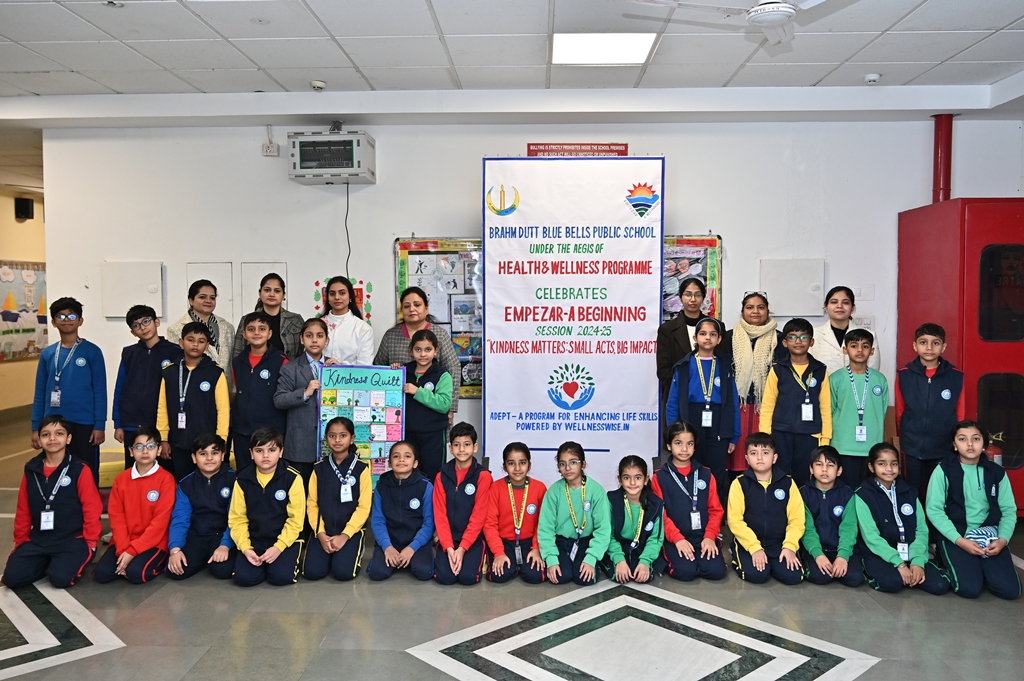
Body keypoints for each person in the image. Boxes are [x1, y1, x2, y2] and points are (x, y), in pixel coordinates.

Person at [2, 415, 102, 589]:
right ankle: (46, 561)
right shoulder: (31, 469)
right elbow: (23, 508)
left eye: (59, 433)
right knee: (11, 579)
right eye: (46, 434)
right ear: (39, 439)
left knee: (60, 579)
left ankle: (61, 562)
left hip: (71, 539)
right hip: (38, 539)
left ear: (68, 438)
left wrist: (91, 542)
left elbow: (92, 508)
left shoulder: (79, 469)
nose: (52, 438)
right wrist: (21, 542)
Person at [927, 421, 1020, 600]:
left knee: (1010, 591)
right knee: (969, 589)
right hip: (957, 536)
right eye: (962, 439)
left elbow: (1008, 510)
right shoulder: (943, 470)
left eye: (976, 439)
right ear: (955, 445)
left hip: (989, 536)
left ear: (984, 444)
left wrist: (1002, 540)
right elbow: (934, 510)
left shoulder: (997, 472)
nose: (970, 444)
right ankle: (941, 560)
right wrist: (961, 541)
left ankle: (979, 568)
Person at [854, 442, 949, 594]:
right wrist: (900, 564)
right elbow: (871, 536)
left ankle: (911, 573)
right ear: (871, 467)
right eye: (882, 464)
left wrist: (917, 562)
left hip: (910, 551)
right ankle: (897, 574)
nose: (889, 469)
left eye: (894, 464)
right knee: (892, 583)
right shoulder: (862, 494)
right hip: (880, 553)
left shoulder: (910, 492)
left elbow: (921, 529)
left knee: (940, 585)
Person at [31, 297, 107, 483]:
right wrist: (36, 427)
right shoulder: (48, 354)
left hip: (84, 423)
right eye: (61, 316)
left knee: (86, 471)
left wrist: (99, 425)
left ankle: (89, 504)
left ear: (80, 320)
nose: (66, 320)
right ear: (53, 322)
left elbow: (100, 391)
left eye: (72, 316)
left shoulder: (92, 352)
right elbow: (40, 393)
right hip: (53, 424)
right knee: (56, 471)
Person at [665, 317, 739, 503]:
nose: (708, 338)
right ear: (695, 338)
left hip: (719, 422)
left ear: (719, 339)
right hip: (691, 419)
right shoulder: (684, 366)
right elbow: (673, 402)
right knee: (692, 468)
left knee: (716, 473)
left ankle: (716, 515)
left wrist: (734, 434)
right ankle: (690, 510)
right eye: (703, 334)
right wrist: (674, 433)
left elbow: (732, 402)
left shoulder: (725, 365)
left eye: (713, 334)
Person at [94, 427, 176, 584]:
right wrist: (124, 550)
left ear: (159, 450)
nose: (145, 451)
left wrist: (132, 552)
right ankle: (128, 562)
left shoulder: (166, 480)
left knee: (136, 574)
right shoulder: (121, 480)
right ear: (131, 451)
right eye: (139, 447)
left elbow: (160, 524)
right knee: (102, 574)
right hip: (125, 540)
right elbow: (117, 518)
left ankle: (158, 562)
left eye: (150, 446)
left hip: (155, 541)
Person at [228, 428, 305, 587]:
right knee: (244, 579)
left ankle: (275, 565)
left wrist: (278, 547)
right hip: (254, 540)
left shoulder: (292, 477)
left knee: (280, 577)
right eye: (259, 451)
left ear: (281, 452)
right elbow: (237, 519)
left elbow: (296, 520)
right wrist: (245, 548)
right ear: (251, 453)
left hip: (286, 540)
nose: (265, 455)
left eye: (271, 450)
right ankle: (260, 565)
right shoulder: (242, 479)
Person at [759, 318, 832, 486]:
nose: (798, 341)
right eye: (792, 337)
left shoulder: (820, 370)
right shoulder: (778, 369)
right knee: (779, 476)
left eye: (804, 337)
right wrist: (765, 435)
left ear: (811, 342)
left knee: (806, 478)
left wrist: (825, 439)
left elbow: (825, 407)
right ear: (785, 342)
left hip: (810, 435)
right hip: (780, 433)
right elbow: (768, 404)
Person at [651, 421, 726, 582]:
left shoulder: (706, 474)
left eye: (689, 444)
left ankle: (703, 554)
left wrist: (710, 536)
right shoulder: (660, 477)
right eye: (678, 443)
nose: (684, 449)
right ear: (669, 445)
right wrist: (678, 539)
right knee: (686, 572)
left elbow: (716, 510)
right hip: (674, 538)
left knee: (716, 571)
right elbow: (660, 515)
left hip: (702, 536)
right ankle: (664, 557)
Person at [895, 323, 965, 498]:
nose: (929, 347)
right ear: (915, 345)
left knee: (939, 493)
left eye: (935, 343)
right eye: (923, 342)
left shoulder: (955, 376)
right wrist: (906, 436)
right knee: (912, 493)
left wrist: (957, 441)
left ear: (943, 347)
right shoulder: (904, 374)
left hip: (943, 446)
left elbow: (960, 413)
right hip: (912, 447)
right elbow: (900, 412)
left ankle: (936, 518)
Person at [722, 292, 787, 474]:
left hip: (766, 408)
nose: (755, 311)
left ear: (767, 311)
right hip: (736, 407)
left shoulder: (780, 339)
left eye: (761, 307)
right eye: (750, 307)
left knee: (763, 458)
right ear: (742, 311)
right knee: (735, 462)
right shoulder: (728, 338)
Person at [373, 286, 461, 421]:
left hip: (433, 411)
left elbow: (453, 368)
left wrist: (452, 408)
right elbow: (378, 368)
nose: (412, 309)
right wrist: (392, 371)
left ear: (426, 308)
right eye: (406, 306)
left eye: (417, 305)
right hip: (399, 409)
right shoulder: (391, 336)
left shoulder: (440, 335)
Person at [727, 432, 804, 585]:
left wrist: (789, 546)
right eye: (754, 453)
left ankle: (773, 562)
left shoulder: (788, 483)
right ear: (747, 459)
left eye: (765, 453)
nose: (760, 457)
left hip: (779, 543)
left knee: (793, 577)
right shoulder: (739, 484)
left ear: (774, 458)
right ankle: (738, 554)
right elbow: (735, 521)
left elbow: (797, 519)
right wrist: (755, 548)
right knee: (757, 575)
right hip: (749, 543)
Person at [156, 322, 229, 481]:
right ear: (181, 342)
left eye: (201, 341)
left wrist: (221, 441)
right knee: (183, 483)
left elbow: (223, 410)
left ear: (207, 346)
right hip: (178, 442)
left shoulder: (215, 373)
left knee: (209, 484)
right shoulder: (169, 372)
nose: (195, 344)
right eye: (190, 340)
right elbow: (162, 407)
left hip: (208, 445)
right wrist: (163, 438)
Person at [112, 304, 182, 469]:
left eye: (146, 321)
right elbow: (120, 389)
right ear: (132, 332)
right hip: (131, 424)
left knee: (164, 472)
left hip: (161, 425)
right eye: (136, 325)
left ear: (157, 322)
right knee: (134, 471)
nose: (143, 328)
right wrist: (118, 424)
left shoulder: (175, 352)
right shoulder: (129, 353)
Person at [304, 417, 372, 582]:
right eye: (332, 436)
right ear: (326, 439)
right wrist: (320, 534)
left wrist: (345, 535)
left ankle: (354, 547)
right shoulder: (319, 469)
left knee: (343, 573)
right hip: (324, 531)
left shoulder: (362, 468)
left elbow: (364, 507)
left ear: (352, 438)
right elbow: (312, 504)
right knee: (312, 573)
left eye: (343, 435)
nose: (337, 440)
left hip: (350, 531)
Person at [537, 442, 611, 586]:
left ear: (583, 464)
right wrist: (551, 558)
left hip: (585, 541)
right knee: (561, 576)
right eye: (562, 464)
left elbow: (603, 528)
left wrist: (591, 558)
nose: (568, 468)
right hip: (561, 541)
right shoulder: (553, 492)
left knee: (585, 578)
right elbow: (546, 528)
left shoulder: (596, 491)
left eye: (573, 462)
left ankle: (598, 561)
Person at [166, 434, 236, 581]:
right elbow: (180, 518)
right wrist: (175, 549)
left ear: (223, 455)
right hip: (197, 536)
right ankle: (203, 558)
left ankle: (210, 557)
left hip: (222, 535)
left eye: (215, 453)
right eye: (203, 454)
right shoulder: (186, 484)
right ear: (194, 458)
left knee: (223, 570)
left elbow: (236, 518)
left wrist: (225, 545)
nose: (209, 458)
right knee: (176, 571)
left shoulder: (234, 480)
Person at [432, 422, 492, 585]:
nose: (462, 449)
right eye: (457, 445)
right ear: (450, 448)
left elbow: (479, 515)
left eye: (467, 444)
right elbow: (440, 515)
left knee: (468, 578)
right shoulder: (441, 476)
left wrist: (463, 548)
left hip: (473, 538)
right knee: (445, 578)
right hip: (448, 538)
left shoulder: (483, 476)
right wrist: (449, 547)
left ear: (475, 447)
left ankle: (480, 556)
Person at [366, 441, 436, 581]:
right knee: (377, 573)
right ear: (389, 463)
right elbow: (378, 521)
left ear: (415, 463)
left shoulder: (426, 486)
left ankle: (408, 558)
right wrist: (387, 546)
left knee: (424, 572)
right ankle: (397, 558)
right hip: (390, 541)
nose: (401, 460)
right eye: (396, 456)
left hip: (417, 542)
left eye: (407, 456)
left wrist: (412, 548)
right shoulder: (381, 487)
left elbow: (429, 523)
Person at [273, 318, 331, 485]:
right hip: (300, 445)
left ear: (326, 340)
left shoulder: (334, 366)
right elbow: (279, 400)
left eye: (319, 336)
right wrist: (305, 393)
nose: (314, 340)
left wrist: (340, 371)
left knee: (326, 491)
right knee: (301, 491)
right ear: (301, 339)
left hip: (329, 444)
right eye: (309, 335)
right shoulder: (290, 368)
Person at [829, 329, 887, 487]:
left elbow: (882, 411)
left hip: (872, 446)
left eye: (865, 346)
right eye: (854, 346)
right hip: (843, 447)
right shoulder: (835, 379)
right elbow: (829, 411)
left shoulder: (880, 380)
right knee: (846, 491)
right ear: (845, 350)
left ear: (872, 351)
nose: (860, 350)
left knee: (868, 491)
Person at [231, 311, 288, 471]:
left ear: (269, 334)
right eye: (251, 329)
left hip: (271, 430)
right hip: (242, 430)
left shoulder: (281, 361)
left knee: (270, 473)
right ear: (244, 334)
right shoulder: (237, 362)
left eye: (262, 329)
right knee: (244, 473)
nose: (256, 333)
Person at [799, 446, 863, 587]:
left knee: (855, 578)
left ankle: (838, 563)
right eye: (819, 464)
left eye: (830, 465)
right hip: (814, 549)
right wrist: (818, 554)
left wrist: (843, 556)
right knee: (821, 577)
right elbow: (807, 529)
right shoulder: (803, 494)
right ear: (811, 469)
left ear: (839, 471)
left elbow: (849, 528)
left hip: (839, 548)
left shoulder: (847, 494)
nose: (824, 469)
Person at [485, 442, 547, 584]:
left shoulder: (539, 488)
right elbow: (489, 524)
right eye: (511, 463)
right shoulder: (495, 488)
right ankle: (514, 565)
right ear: (504, 466)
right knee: (499, 575)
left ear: (529, 465)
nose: (517, 468)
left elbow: (543, 524)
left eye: (522, 463)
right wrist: (499, 552)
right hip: (504, 542)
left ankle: (519, 566)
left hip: (530, 542)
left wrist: (536, 548)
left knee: (535, 576)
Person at [602, 455, 663, 584]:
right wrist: (619, 559)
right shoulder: (612, 500)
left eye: (638, 477)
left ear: (646, 479)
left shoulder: (656, 504)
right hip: (618, 546)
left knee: (642, 575)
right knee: (617, 575)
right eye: (626, 478)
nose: (632, 483)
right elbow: (608, 535)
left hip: (641, 547)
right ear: (619, 479)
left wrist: (645, 561)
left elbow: (655, 539)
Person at [403, 329, 454, 484]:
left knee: (433, 476)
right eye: (418, 349)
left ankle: (432, 501)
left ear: (436, 351)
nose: (423, 354)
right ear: (411, 351)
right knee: (408, 475)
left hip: (433, 435)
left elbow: (444, 404)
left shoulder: (442, 375)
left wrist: (418, 391)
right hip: (407, 434)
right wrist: (394, 370)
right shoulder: (403, 372)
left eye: (428, 349)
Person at [656, 277, 709, 409]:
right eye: (688, 294)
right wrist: (684, 390)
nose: (693, 299)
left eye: (698, 295)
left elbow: (721, 364)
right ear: (680, 297)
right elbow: (663, 370)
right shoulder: (667, 330)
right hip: (677, 398)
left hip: (709, 397)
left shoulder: (715, 327)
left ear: (703, 297)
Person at [231, 273, 304, 359]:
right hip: (254, 367)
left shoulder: (295, 320)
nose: (272, 294)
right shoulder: (247, 319)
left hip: (288, 367)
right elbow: (238, 353)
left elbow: (302, 353)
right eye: (267, 290)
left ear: (283, 295)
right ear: (260, 293)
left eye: (277, 291)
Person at [166, 279, 235, 370]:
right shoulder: (175, 329)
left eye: (212, 298)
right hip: (195, 378)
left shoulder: (227, 327)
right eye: (202, 297)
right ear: (191, 300)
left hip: (225, 378)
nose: (208, 301)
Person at [812, 286, 881, 376]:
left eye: (845, 302)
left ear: (852, 308)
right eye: (834, 302)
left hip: (859, 385)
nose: (839, 306)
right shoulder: (814, 334)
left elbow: (872, 371)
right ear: (826, 307)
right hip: (821, 385)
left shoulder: (870, 335)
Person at [319, 275, 374, 366]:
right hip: (318, 374)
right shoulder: (317, 325)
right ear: (327, 298)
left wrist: (341, 368)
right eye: (332, 294)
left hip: (351, 375)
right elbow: (309, 357)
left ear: (350, 296)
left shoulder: (363, 329)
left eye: (342, 293)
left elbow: (364, 366)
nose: (337, 297)